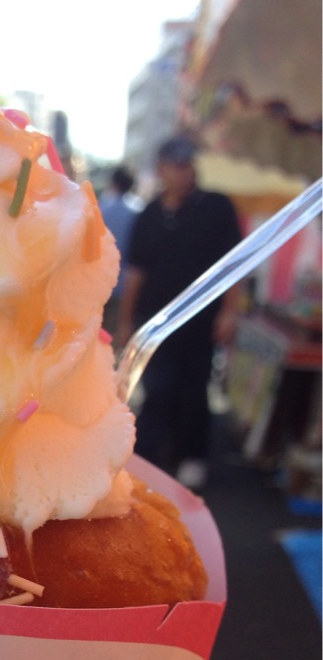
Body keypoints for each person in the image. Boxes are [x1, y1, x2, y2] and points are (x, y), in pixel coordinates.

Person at [117, 136, 242, 490]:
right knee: (156, 390)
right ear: (161, 169)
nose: (185, 172)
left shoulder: (216, 206)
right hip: (156, 322)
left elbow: (233, 264)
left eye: (189, 165)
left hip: (201, 320)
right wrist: (126, 322)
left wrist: (229, 312)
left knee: (194, 389)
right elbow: (136, 272)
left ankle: (192, 456)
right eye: (177, 165)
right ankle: (147, 460)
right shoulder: (149, 214)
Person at [98, 165, 142, 346]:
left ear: (113, 183)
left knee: (93, 336)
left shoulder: (101, 207)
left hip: (98, 283)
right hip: (125, 287)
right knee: (114, 340)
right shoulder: (138, 211)